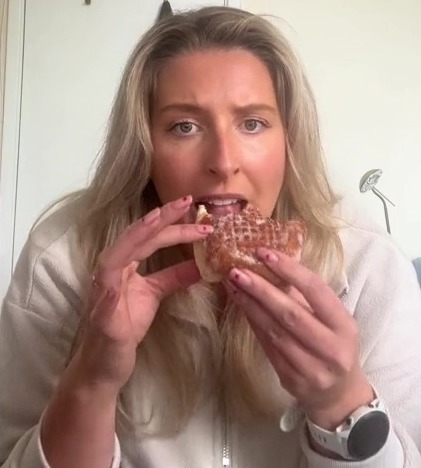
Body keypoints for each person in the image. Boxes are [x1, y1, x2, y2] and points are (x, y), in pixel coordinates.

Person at [1, 6, 421, 468]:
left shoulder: (368, 265)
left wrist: (343, 405)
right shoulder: (62, 258)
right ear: (143, 146)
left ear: (290, 139)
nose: (223, 161)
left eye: (252, 123)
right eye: (185, 126)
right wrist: (93, 381)